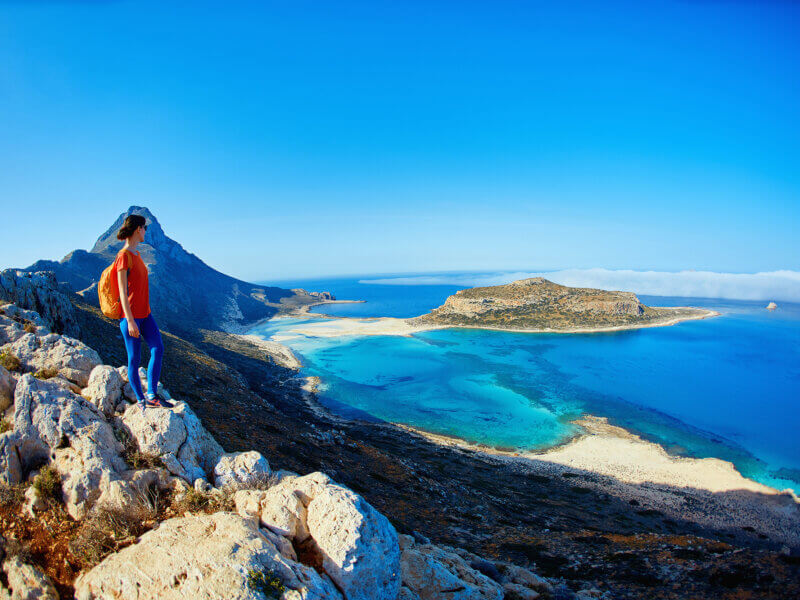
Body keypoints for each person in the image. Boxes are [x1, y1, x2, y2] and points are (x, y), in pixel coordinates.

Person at [114, 214, 173, 409]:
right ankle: (141, 400)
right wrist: (130, 321)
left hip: (146, 315)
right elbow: (122, 291)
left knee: (158, 349)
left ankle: (152, 394)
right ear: (138, 229)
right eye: (145, 228)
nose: (146, 232)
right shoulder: (123, 256)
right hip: (131, 318)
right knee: (135, 358)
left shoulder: (138, 255)